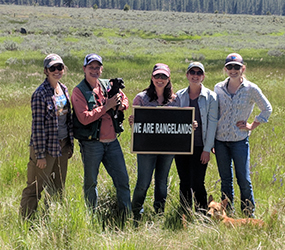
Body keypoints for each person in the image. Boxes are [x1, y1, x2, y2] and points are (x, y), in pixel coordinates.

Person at [71, 53, 131, 219]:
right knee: (91, 183)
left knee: (123, 181)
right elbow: (84, 117)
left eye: (97, 67)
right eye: (91, 67)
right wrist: (106, 106)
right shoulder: (79, 91)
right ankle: (92, 218)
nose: (94, 70)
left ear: (102, 69)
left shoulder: (107, 85)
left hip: (112, 142)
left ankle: (126, 216)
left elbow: (125, 101)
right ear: (84, 69)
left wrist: (119, 105)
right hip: (92, 144)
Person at [214, 53, 272, 217]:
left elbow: (267, 108)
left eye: (237, 67)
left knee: (244, 180)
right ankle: (227, 215)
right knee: (225, 180)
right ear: (225, 69)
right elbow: (214, 113)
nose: (233, 70)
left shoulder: (251, 88)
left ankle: (248, 214)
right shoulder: (218, 88)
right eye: (230, 67)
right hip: (220, 141)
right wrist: (211, 139)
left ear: (243, 68)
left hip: (239, 141)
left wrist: (252, 125)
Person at [20, 53, 74, 219]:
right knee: (35, 186)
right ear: (46, 71)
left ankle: (52, 220)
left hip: (62, 145)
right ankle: (27, 221)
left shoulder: (63, 89)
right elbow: (37, 127)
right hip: (45, 148)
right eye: (53, 68)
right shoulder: (40, 94)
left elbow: (67, 118)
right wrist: (40, 155)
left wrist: (70, 145)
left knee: (58, 187)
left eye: (60, 67)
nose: (57, 71)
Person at [129, 63, 177, 222]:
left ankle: (159, 214)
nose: (160, 79)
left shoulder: (175, 100)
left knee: (162, 182)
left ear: (169, 79)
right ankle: (136, 213)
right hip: (146, 148)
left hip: (168, 148)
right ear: (152, 77)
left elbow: (180, 122)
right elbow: (137, 125)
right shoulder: (141, 98)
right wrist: (133, 122)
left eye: (164, 76)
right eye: (157, 76)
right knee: (143, 182)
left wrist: (190, 125)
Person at [174, 62, 218, 214]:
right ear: (187, 75)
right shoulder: (179, 96)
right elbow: (171, 119)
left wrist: (207, 149)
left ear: (203, 76)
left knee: (198, 182)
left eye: (199, 73)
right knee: (184, 182)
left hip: (200, 146)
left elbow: (212, 124)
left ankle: (201, 215)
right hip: (181, 146)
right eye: (192, 72)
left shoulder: (211, 97)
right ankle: (184, 213)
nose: (195, 75)